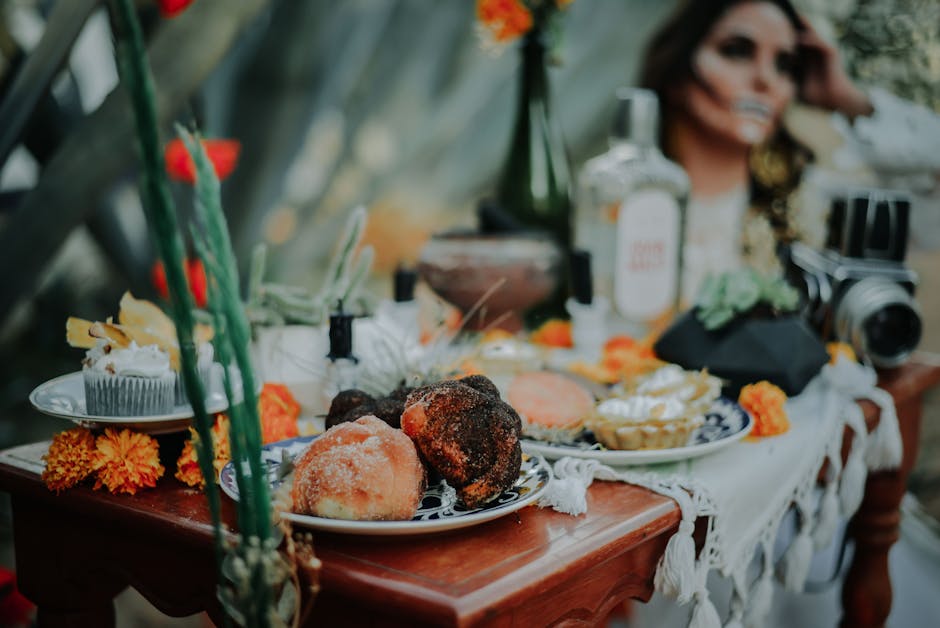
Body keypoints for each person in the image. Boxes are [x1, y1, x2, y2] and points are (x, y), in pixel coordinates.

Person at [639, 0, 940, 303]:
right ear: (677, 68)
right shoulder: (622, 199)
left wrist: (851, 101)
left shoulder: (813, 211)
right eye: (737, 51)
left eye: (785, 65)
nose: (766, 79)